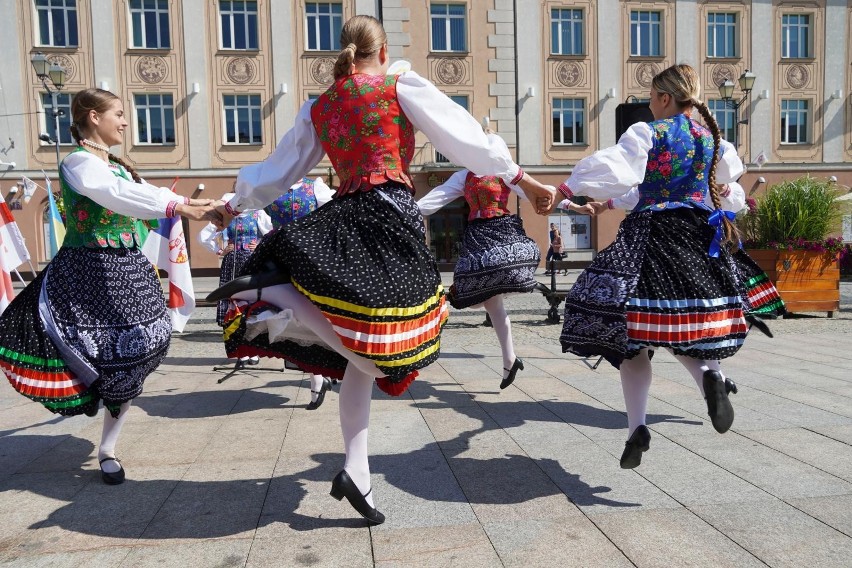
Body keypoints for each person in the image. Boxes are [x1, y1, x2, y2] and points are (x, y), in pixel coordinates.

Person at [207, 15, 555, 524]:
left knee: (360, 356)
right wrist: (521, 178)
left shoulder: (319, 105)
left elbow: (279, 171)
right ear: (383, 50)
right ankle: (281, 294)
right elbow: (463, 139)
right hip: (389, 212)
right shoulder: (397, 83)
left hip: (346, 213)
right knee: (400, 341)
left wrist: (236, 203)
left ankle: (357, 471)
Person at [549, 64, 783, 469]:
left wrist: (569, 186)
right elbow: (725, 183)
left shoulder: (648, 133)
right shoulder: (713, 140)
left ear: (662, 98)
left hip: (653, 237)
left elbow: (621, 167)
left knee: (630, 337)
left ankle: (637, 426)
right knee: (683, 326)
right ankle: (709, 376)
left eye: (651, 99)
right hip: (696, 239)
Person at [0, 88, 217, 484]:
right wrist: (180, 207)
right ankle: (108, 446)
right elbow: (115, 196)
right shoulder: (79, 163)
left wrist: (191, 203)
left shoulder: (115, 163)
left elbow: (143, 192)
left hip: (129, 269)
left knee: (151, 339)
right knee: (89, 347)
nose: (124, 120)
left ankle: (109, 429)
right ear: (92, 116)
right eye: (118, 113)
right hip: (87, 272)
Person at [418, 142, 592, 389]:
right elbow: (436, 198)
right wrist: (405, 214)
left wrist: (574, 205)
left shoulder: (505, 172)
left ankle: (510, 350)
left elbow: (538, 192)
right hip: (478, 237)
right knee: (486, 300)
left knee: (493, 289)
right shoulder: (463, 175)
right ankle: (510, 359)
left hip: (500, 232)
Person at [265, 176, 337, 409]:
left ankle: (321, 374)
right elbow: (244, 206)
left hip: (311, 259)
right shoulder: (269, 186)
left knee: (315, 316)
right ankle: (319, 374)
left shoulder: (315, 187)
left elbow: (333, 217)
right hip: (279, 260)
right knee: (289, 317)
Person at [199, 192, 272, 366]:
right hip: (232, 264)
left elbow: (274, 232)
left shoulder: (257, 213)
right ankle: (240, 351)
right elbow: (203, 236)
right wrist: (219, 250)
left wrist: (261, 244)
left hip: (253, 263)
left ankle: (253, 350)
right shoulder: (227, 216)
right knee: (233, 306)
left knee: (252, 305)